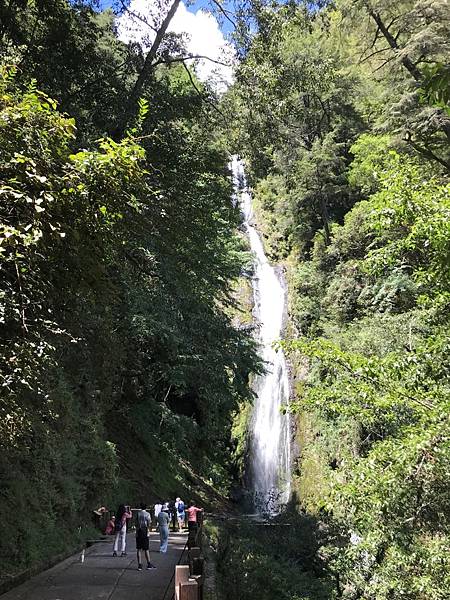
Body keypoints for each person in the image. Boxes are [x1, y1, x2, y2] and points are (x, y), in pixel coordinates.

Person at [135, 503, 156, 570]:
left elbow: (136, 523)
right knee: (146, 549)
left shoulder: (138, 514)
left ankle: (139, 565)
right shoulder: (147, 514)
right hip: (145, 531)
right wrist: (150, 529)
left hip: (139, 531)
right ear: (146, 507)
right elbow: (149, 522)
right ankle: (149, 563)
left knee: (139, 549)